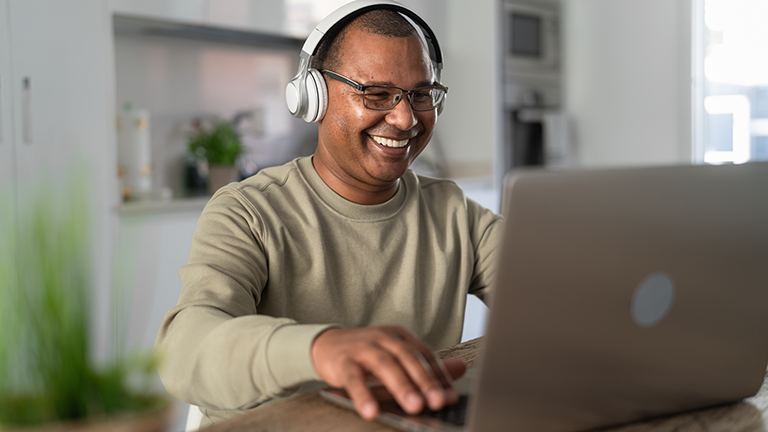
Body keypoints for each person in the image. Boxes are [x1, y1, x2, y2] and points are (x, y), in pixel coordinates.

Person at [154, 3, 502, 427]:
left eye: (421, 94)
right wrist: (321, 349)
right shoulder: (247, 212)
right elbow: (185, 349)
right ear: (312, 97)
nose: (405, 117)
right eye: (376, 94)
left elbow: (557, 294)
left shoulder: (454, 213)